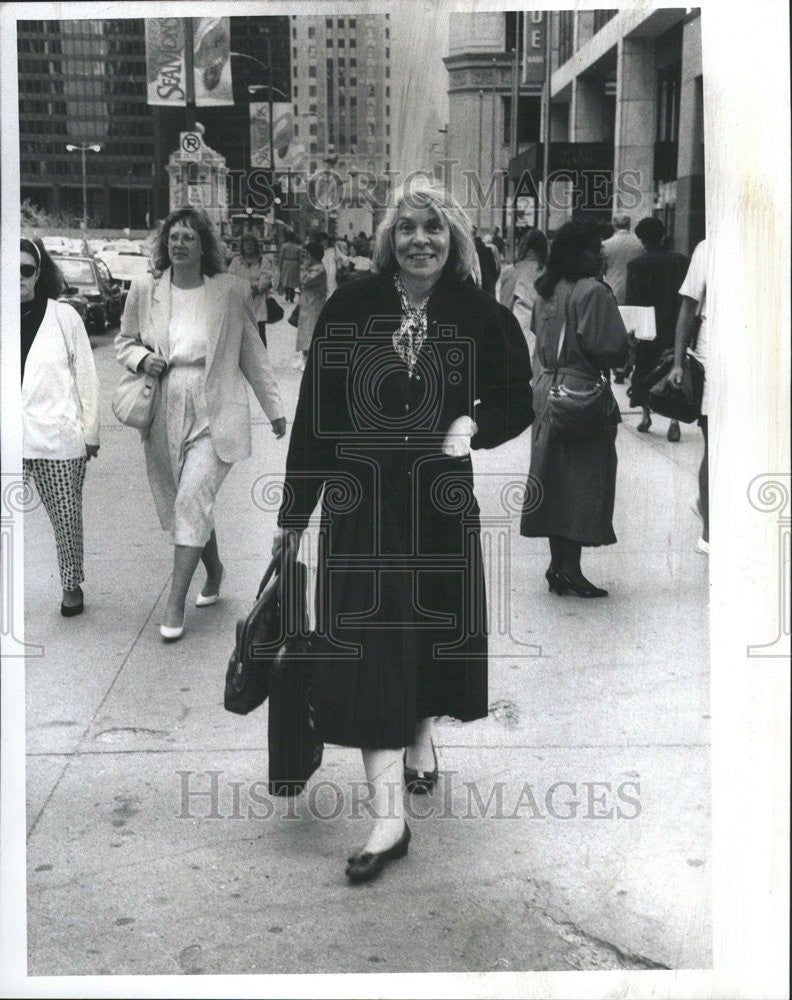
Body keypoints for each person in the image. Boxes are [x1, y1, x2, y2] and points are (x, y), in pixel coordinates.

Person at [272, 181, 534, 883]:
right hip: (361, 504)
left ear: (454, 240)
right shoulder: (353, 305)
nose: (422, 239)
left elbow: (517, 396)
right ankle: (390, 820)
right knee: (368, 651)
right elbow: (316, 411)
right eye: (409, 228)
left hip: (439, 503)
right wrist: (296, 513)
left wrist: (469, 425)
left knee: (422, 634)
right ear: (390, 237)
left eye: (436, 229)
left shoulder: (479, 314)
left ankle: (420, 735)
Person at [115, 208, 286, 642]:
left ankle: (174, 606)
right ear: (164, 243)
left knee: (193, 496)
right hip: (165, 404)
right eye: (173, 237)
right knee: (185, 502)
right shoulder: (145, 288)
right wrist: (141, 358)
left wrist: (274, 409)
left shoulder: (230, 290)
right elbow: (124, 341)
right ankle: (215, 571)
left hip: (216, 409)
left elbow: (252, 352)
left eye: (189, 237)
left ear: (204, 244)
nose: (179, 243)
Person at [520, 221, 629, 597]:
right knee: (583, 482)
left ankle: (557, 566)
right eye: (593, 248)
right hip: (581, 392)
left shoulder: (546, 292)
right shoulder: (593, 293)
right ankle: (571, 569)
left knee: (553, 479)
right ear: (575, 253)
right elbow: (610, 348)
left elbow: (539, 338)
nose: (600, 254)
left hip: (548, 389)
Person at [21, 237, 100, 617]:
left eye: (26, 270)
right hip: (11, 436)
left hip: (58, 437)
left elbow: (86, 375)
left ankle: (71, 586)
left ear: (39, 273)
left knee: (66, 519)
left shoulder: (63, 316)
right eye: (11, 269)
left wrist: (91, 431)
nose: (18, 278)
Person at [625, 218, 689, 439]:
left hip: (647, 325)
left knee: (644, 369)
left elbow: (633, 300)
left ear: (642, 240)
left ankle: (645, 416)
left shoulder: (636, 265)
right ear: (663, 235)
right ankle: (674, 421)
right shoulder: (680, 261)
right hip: (675, 323)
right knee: (673, 369)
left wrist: (632, 332)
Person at [669, 238, 709, 554]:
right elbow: (687, 308)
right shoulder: (707, 249)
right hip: (713, 364)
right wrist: (677, 362)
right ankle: (709, 531)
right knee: (715, 447)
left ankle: (705, 503)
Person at [601, 215, 643, 384]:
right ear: (630, 223)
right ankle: (628, 363)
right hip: (634, 293)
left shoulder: (606, 245)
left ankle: (617, 366)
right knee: (632, 331)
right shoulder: (639, 245)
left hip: (613, 292)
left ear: (613, 225)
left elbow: (602, 270)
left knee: (615, 331)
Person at [498, 228, 549, 365]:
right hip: (546, 330)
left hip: (520, 330)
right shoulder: (550, 272)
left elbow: (504, 309)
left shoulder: (512, 271)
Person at [228, 234, 274, 347]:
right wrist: (243, 289)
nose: (248, 246)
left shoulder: (263, 262)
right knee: (240, 336)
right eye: (245, 244)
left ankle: (261, 362)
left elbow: (265, 280)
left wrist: (251, 289)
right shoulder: (236, 261)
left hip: (257, 303)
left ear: (255, 246)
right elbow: (231, 279)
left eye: (251, 243)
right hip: (240, 304)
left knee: (259, 335)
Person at [292, 240, 327, 370]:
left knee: (310, 331)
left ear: (313, 255)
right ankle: (304, 357)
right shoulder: (312, 267)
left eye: (307, 254)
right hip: (307, 303)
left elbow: (305, 281)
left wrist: (303, 267)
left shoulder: (319, 269)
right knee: (304, 330)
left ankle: (309, 360)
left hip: (315, 304)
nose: (305, 257)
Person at [472, 227, 499, 295]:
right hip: (489, 282)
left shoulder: (471, 250)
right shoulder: (488, 250)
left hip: (476, 284)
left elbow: (476, 270)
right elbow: (495, 267)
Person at [278, 231, 301, 302]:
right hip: (294, 263)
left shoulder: (284, 246)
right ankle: (292, 296)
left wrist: (280, 265)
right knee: (293, 281)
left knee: (285, 279)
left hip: (286, 262)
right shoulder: (297, 248)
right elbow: (299, 258)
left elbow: (281, 256)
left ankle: (287, 293)